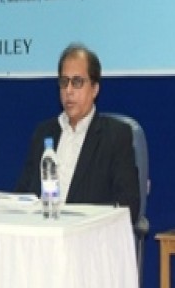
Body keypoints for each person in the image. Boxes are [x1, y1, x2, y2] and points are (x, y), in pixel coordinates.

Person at [15, 43, 140, 224]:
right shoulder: (44, 133)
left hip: (88, 238)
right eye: (64, 82)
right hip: (42, 234)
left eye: (77, 82)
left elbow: (129, 207)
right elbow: (24, 194)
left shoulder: (116, 136)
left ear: (95, 88)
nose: (69, 91)